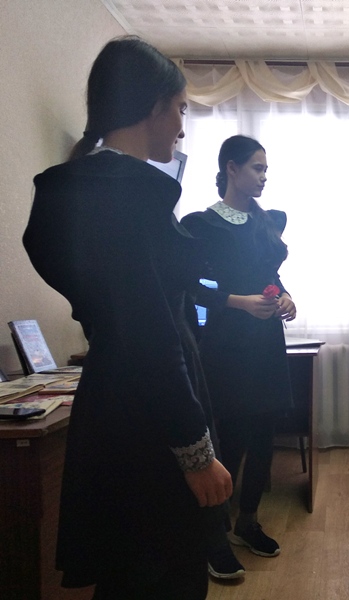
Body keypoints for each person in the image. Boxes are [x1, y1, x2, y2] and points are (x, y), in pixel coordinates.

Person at [23, 36, 232, 600]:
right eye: (181, 108)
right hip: (152, 416)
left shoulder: (70, 190)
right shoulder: (133, 195)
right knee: (168, 574)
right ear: (153, 106)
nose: (182, 127)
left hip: (110, 399)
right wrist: (195, 452)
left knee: (127, 573)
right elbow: (152, 334)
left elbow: (119, 314)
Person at [181, 135, 296, 578]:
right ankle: (215, 535)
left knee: (265, 435)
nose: (264, 177)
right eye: (257, 168)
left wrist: (285, 296)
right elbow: (192, 288)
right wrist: (238, 302)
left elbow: (271, 274)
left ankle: (248, 521)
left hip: (266, 343)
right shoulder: (202, 225)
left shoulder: (267, 221)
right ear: (231, 168)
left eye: (266, 170)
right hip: (226, 345)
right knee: (227, 438)